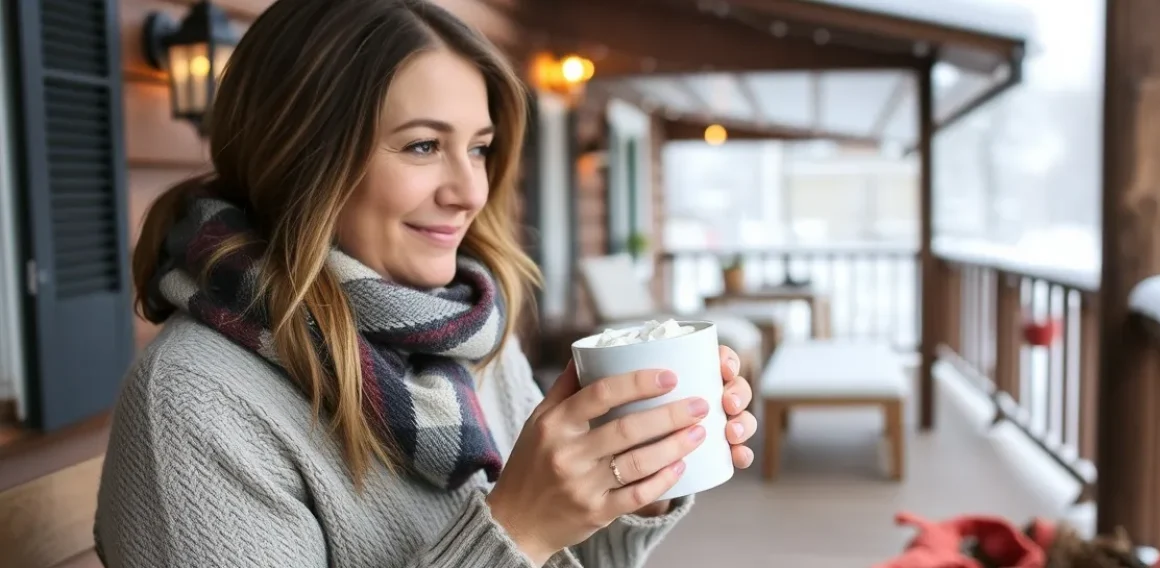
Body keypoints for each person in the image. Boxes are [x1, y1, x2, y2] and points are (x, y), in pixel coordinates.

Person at [93, 0, 758, 567]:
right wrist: (518, 529)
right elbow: (528, 540)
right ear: (298, 157)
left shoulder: (464, 334)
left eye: (478, 147)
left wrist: (630, 486)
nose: (470, 190)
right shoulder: (195, 403)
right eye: (421, 146)